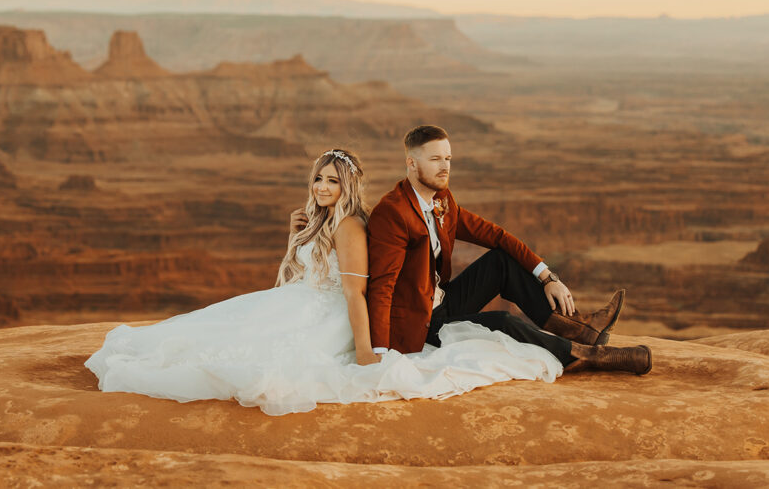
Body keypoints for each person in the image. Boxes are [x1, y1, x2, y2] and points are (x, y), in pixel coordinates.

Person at [85, 148, 564, 416]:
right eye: (318, 179)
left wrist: (364, 351)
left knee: (262, 363)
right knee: (213, 335)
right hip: (300, 300)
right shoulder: (318, 219)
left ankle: (569, 334)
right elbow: (298, 272)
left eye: (332, 182)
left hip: (335, 313)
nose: (322, 188)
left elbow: (356, 290)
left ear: (347, 187)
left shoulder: (352, 226)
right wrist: (296, 235)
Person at [367, 125, 652, 375]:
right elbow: (382, 286)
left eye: (448, 158)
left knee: (501, 261)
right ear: (411, 163)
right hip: (420, 324)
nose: (445, 167)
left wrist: (547, 277)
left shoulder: (441, 199)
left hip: (442, 300)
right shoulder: (393, 213)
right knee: (502, 320)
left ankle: (580, 330)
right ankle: (588, 356)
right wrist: (380, 354)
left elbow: (496, 235)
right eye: (435, 159)